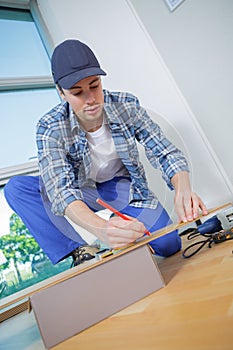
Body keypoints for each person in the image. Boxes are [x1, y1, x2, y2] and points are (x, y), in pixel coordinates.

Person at [4, 39, 208, 267]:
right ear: (61, 93)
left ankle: (119, 222)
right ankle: (79, 250)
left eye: (94, 85)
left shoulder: (126, 105)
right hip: (80, 189)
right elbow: (61, 190)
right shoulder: (50, 127)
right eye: (77, 92)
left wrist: (183, 188)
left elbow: (164, 151)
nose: (90, 99)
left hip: (122, 188)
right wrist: (100, 230)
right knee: (17, 188)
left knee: (169, 245)